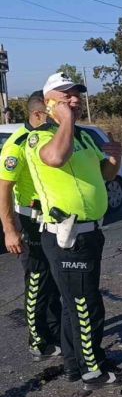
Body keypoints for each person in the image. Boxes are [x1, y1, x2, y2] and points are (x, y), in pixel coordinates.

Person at [25, 73, 122, 390]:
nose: (75, 100)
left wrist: (115, 157)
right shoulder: (40, 137)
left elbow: (105, 175)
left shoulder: (85, 137)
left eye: (77, 95)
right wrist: (64, 121)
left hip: (89, 233)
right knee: (86, 305)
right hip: (66, 235)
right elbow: (56, 158)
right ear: (49, 102)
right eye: (66, 96)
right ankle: (93, 369)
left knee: (75, 306)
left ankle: (74, 367)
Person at [0, 91, 62, 361]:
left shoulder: (48, 138)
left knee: (53, 279)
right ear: (38, 114)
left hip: (50, 219)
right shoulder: (17, 144)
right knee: (37, 280)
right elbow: (4, 189)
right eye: (51, 112)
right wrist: (10, 229)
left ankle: (56, 331)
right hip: (30, 219)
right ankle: (37, 341)